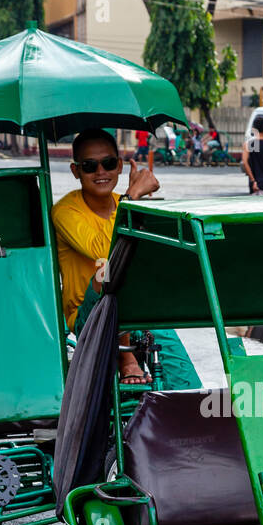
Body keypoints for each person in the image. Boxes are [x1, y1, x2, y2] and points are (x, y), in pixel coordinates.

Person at [52, 128, 158, 384]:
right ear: (76, 171)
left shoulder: (123, 202)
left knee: (183, 382)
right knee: (107, 267)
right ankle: (126, 358)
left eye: (108, 163)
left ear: (119, 166)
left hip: (138, 309)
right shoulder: (65, 211)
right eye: (90, 166)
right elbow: (105, 251)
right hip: (87, 314)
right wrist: (132, 198)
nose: (101, 172)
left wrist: (136, 203)